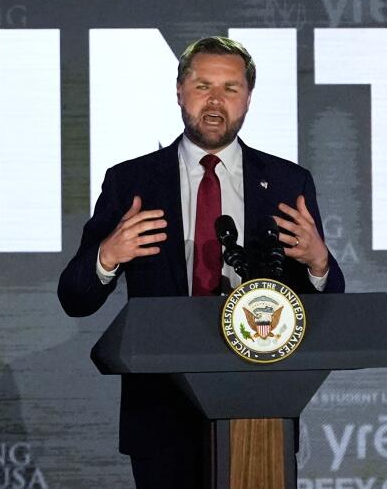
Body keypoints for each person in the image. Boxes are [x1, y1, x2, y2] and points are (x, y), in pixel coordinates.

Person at [57, 36, 344, 489]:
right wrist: (107, 257)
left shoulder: (288, 182)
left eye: (230, 88)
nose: (215, 101)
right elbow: (75, 298)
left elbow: (328, 303)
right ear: (179, 90)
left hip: (260, 404)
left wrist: (318, 263)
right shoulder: (132, 181)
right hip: (159, 412)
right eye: (202, 85)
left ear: (248, 98)